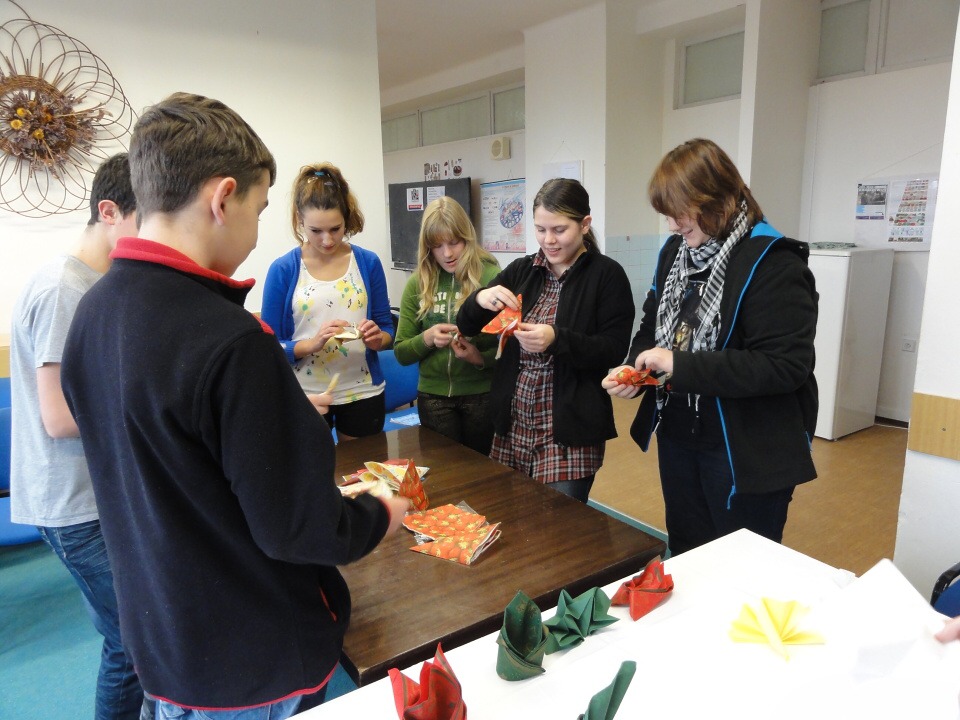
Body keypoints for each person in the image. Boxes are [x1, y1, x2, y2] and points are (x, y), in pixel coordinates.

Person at [60, 93, 409, 720]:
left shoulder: (94, 311)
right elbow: (296, 526)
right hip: (246, 655)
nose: (257, 227)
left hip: (164, 635)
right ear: (224, 199)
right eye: (260, 208)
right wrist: (380, 513)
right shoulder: (228, 339)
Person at [602, 138, 818, 556]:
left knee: (741, 563)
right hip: (679, 432)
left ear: (716, 199)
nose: (672, 225)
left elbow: (783, 366)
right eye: (667, 214)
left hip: (744, 446)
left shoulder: (773, 262)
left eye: (679, 213)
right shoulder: (676, 253)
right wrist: (636, 367)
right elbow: (651, 326)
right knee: (687, 552)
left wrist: (679, 364)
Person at [8, 154, 149, 720]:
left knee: (128, 634)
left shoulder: (98, 284)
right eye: (147, 220)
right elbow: (60, 418)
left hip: (97, 494)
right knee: (133, 640)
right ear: (108, 212)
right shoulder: (65, 288)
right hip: (71, 503)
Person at [457, 178, 634, 502]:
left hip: (569, 433)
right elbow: (466, 323)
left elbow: (613, 348)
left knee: (557, 523)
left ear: (584, 225)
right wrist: (480, 298)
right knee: (509, 515)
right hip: (514, 425)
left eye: (559, 230)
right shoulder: (522, 270)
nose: (548, 240)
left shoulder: (606, 275)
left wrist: (556, 339)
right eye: (540, 229)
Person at [261, 162, 394, 441]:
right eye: (316, 231)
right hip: (304, 394)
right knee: (312, 468)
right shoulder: (283, 270)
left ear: (346, 217)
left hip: (362, 391)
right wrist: (311, 344)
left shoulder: (367, 263)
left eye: (335, 229)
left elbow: (386, 329)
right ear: (299, 220)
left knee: (362, 467)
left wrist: (376, 339)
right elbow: (269, 347)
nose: (327, 240)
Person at [393, 197, 500, 455]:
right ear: (427, 246)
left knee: (481, 470)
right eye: (437, 246)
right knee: (443, 470)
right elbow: (401, 353)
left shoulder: (491, 277)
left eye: (454, 242)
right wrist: (427, 339)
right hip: (433, 398)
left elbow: (512, 349)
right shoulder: (417, 283)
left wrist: (479, 358)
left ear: (467, 238)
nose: (447, 254)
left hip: (481, 395)